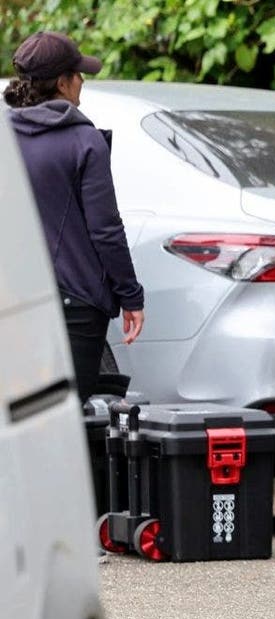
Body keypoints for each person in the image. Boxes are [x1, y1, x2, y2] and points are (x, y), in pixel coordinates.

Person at [5, 32, 145, 403]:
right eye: (78, 73)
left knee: (21, 416)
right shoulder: (84, 141)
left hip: (13, 300)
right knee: (63, 416)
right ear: (64, 82)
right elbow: (106, 230)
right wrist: (130, 296)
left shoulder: (5, 136)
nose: (83, 80)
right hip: (75, 308)